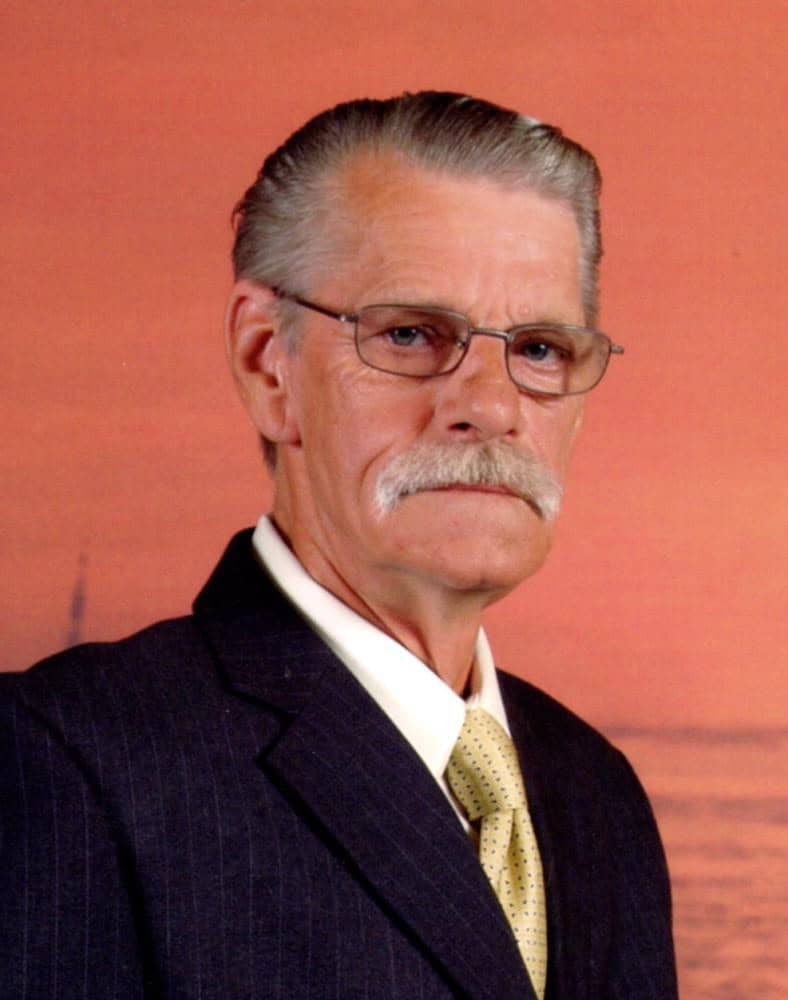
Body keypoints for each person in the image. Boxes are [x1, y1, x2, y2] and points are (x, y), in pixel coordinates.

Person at [0, 92, 677, 999]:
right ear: (267, 364)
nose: (492, 404)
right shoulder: (62, 762)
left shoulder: (597, 794)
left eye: (542, 349)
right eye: (410, 334)